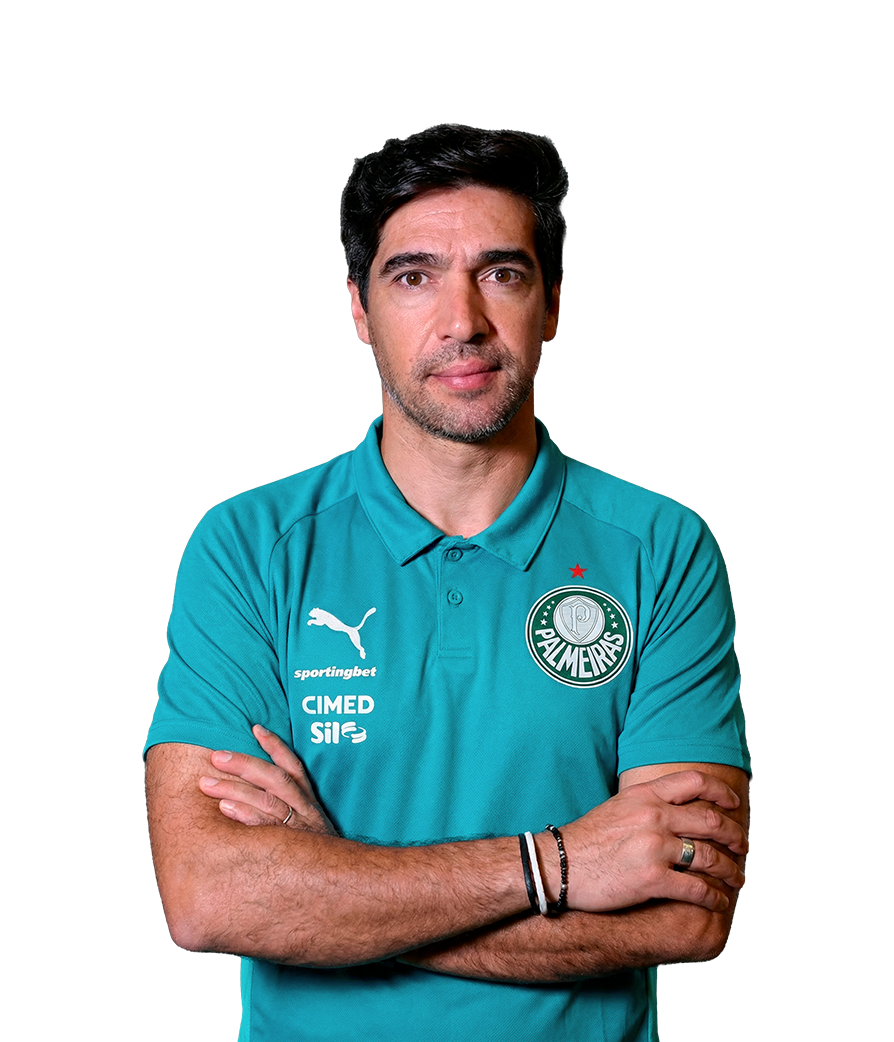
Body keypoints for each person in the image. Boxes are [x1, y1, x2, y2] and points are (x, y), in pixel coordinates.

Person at [144, 126, 751, 1042]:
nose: (462, 320)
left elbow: (685, 917)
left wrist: (329, 889)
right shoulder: (248, 548)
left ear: (552, 306)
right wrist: (555, 863)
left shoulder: (661, 550)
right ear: (359, 311)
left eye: (501, 273)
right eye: (413, 276)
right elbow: (208, 898)